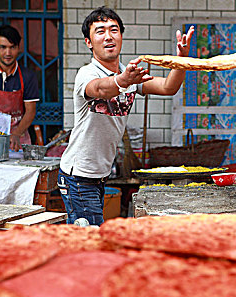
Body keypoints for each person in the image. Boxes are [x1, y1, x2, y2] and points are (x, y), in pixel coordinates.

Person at [58, 6, 194, 225]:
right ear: (89, 42)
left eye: (114, 30)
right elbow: (101, 89)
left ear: (121, 36)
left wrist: (181, 60)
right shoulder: (87, 73)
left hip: (99, 174)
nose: (108, 36)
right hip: (78, 175)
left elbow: (168, 87)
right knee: (89, 237)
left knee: (88, 237)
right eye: (100, 31)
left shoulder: (128, 73)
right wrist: (123, 81)